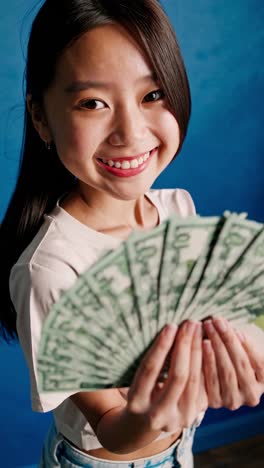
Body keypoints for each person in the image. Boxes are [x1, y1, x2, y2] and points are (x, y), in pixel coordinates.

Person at [0, 1, 263, 467]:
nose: (130, 131)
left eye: (153, 94)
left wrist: (243, 346)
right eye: (93, 103)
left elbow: (213, 322)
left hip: (182, 450)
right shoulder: (52, 269)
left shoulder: (178, 209)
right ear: (41, 117)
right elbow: (112, 430)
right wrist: (153, 410)